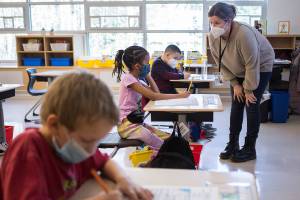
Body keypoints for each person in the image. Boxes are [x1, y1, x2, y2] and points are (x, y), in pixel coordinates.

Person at [0, 71, 153, 200]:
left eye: (96, 141)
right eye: (87, 141)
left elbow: (104, 162)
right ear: (54, 124)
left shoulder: (76, 146)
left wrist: (123, 179)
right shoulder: (28, 149)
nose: (92, 150)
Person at [208, 2, 274, 162]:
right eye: (211, 22)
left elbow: (252, 65)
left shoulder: (244, 34)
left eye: (217, 23)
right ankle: (233, 144)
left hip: (260, 66)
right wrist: (235, 84)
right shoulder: (213, 36)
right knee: (237, 103)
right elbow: (220, 63)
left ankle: (250, 148)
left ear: (229, 20)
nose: (213, 26)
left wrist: (248, 90)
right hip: (237, 68)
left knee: (251, 104)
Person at [113, 46, 190, 150]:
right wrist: (180, 96)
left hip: (137, 122)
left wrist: (148, 75)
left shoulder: (138, 80)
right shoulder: (128, 79)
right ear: (137, 66)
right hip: (127, 126)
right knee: (159, 143)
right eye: (147, 63)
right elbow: (154, 96)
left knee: (168, 137)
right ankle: (162, 156)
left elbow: (156, 92)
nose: (149, 65)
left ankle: (165, 153)